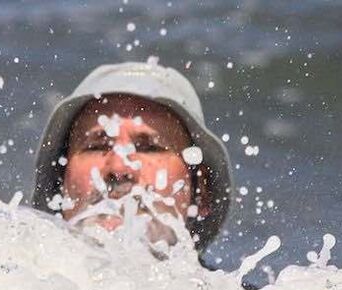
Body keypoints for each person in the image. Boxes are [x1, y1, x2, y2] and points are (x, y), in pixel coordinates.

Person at [32, 60, 233, 251]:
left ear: (201, 193)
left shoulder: (236, 289)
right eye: (96, 147)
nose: (119, 168)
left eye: (149, 148)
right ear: (60, 180)